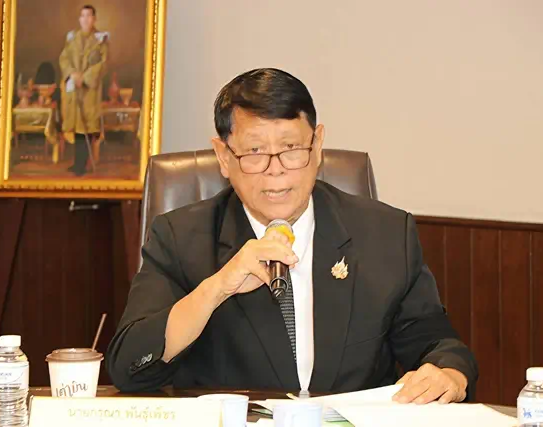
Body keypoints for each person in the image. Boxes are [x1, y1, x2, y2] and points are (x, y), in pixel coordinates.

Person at [107, 68, 478, 404]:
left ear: (317, 145)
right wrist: (216, 288)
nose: (276, 171)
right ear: (223, 156)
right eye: (254, 152)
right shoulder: (179, 238)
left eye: (291, 149)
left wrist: (448, 373)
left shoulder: (384, 234)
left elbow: (438, 344)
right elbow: (128, 367)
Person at [59, 4, 108, 176]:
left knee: (86, 127)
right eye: (83, 16)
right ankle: (77, 163)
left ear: (94, 19)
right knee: (76, 127)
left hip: (89, 91)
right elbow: (64, 58)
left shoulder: (100, 40)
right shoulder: (72, 38)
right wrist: (72, 74)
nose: (86, 19)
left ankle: (82, 165)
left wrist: (85, 78)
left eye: (89, 16)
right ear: (79, 19)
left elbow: (102, 64)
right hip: (74, 89)